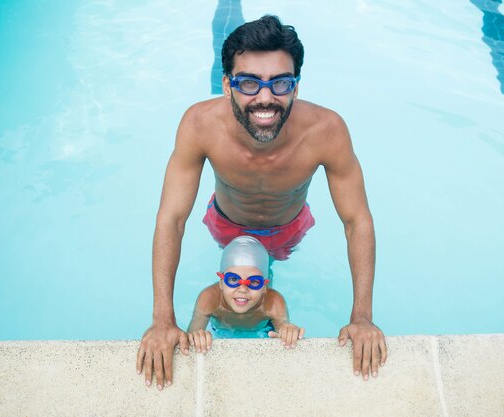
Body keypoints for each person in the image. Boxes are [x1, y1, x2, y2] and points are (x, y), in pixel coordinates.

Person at [136, 15, 387, 390]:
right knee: (229, 291)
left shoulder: (326, 131)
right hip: (225, 224)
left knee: (266, 292)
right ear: (226, 85)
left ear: (296, 88)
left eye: (280, 83)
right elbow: (171, 217)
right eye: (249, 83)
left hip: (288, 230)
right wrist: (162, 318)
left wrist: (362, 316)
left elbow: (357, 219)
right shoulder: (200, 124)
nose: (265, 98)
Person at [188, 236, 304, 350]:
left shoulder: (273, 303)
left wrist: (288, 333)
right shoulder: (209, 299)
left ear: (264, 287)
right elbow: (191, 338)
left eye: (253, 281)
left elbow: (284, 337)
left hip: (264, 327)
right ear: (221, 283)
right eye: (233, 279)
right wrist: (197, 336)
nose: (242, 289)